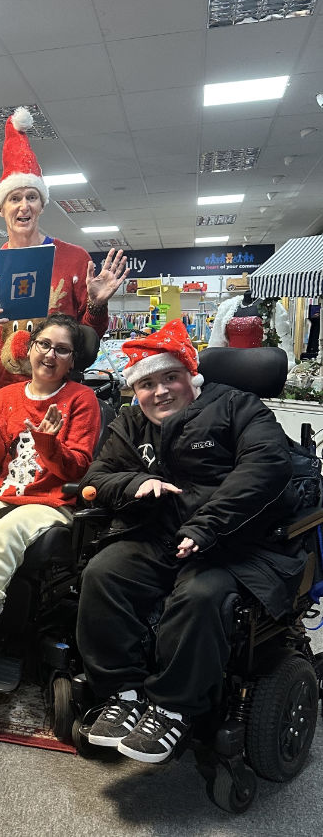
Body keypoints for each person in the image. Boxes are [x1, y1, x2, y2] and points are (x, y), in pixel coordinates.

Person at [77, 319, 307, 763]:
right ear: (135, 390)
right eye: (147, 384)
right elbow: (97, 478)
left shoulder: (240, 407)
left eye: (170, 377)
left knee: (201, 595)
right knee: (104, 574)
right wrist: (135, 482)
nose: (160, 391)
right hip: (160, 535)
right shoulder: (130, 424)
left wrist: (206, 526)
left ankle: (172, 707)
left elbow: (266, 466)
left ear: (191, 376)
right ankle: (122, 695)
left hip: (238, 542)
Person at [0, 314, 101, 687]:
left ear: (73, 360)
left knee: (5, 533)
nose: (51, 355)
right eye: (45, 345)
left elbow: (77, 470)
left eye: (63, 350)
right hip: (3, 490)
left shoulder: (82, 399)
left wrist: (48, 444)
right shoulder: (8, 394)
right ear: (30, 348)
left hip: (50, 500)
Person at [0, 107, 129, 389]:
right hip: (3, 393)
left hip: (59, 393)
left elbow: (88, 340)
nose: (24, 205)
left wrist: (96, 305)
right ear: (1, 208)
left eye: (32, 197)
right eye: (14, 198)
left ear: (42, 205)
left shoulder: (74, 258)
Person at [208, 289, 292, 359]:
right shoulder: (227, 308)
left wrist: (288, 361)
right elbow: (217, 341)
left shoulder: (272, 307)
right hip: (231, 362)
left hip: (258, 361)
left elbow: (283, 338)